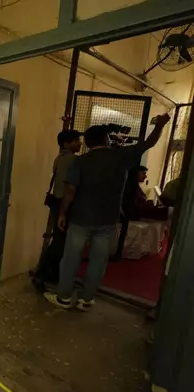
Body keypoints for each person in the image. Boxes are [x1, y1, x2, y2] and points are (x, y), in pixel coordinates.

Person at [45, 113, 171, 312]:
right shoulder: (122, 157)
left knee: (70, 259)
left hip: (81, 218)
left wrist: (62, 214)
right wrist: (160, 125)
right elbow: (149, 143)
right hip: (108, 219)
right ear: (106, 139)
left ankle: (64, 297)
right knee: (98, 260)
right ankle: (86, 299)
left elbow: (70, 191)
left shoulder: (81, 161)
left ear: (87, 142)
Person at [33, 130, 81, 292]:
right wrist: (65, 210)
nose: (79, 143)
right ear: (66, 143)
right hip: (64, 203)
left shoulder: (59, 158)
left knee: (60, 240)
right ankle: (43, 275)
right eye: (76, 141)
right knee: (61, 242)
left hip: (57, 201)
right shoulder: (73, 160)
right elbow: (70, 188)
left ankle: (49, 274)